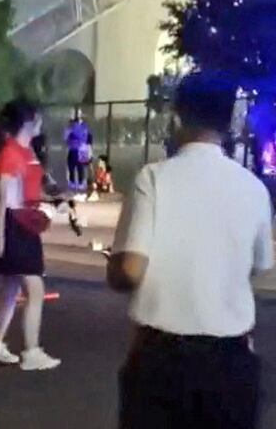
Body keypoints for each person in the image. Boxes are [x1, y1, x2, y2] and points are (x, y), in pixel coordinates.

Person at [108, 71, 273, 429]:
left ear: (177, 117)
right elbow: (260, 266)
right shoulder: (254, 188)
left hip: (160, 359)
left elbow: (131, 270)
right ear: (231, 120)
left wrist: (115, 268)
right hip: (231, 362)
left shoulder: (152, 178)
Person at [0, 100, 61, 371]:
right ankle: (32, 352)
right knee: (34, 289)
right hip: (15, 225)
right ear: (27, 122)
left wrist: (56, 199)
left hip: (25, 223)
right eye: (37, 119)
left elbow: (34, 184)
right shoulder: (10, 153)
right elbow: (2, 195)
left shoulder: (27, 151)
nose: (41, 123)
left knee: (10, 289)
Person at [64, 112, 90, 191]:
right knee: (80, 167)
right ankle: (80, 183)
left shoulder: (71, 128)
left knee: (72, 166)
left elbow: (65, 137)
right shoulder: (85, 127)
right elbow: (86, 138)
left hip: (75, 149)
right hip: (83, 149)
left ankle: (74, 182)